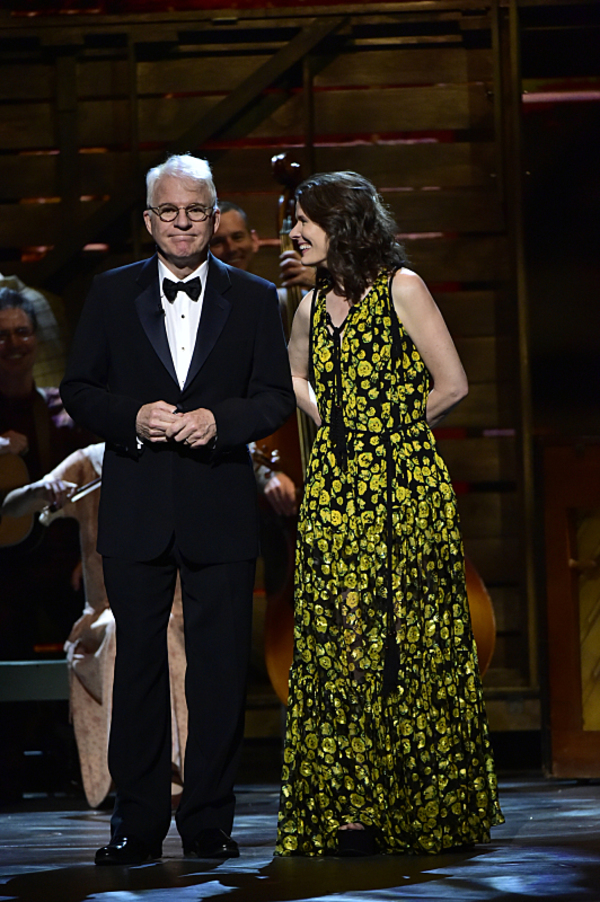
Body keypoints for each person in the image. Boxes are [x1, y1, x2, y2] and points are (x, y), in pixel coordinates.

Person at [60, 153, 295, 866]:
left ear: (214, 212)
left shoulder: (256, 298)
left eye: (197, 210)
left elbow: (275, 399)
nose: (184, 223)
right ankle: (135, 825)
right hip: (137, 508)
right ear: (149, 219)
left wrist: (217, 423)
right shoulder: (110, 293)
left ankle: (207, 821)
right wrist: (137, 416)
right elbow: (80, 390)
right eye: (170, 211)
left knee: (220, 670)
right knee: (138, 672)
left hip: (219, 505)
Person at [275, 171, 504, 857]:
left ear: (339, 224)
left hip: (404, 485)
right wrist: (332, 415)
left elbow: (453, 383)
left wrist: (386, 426)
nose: (293, 232)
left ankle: (427, 802)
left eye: (303, 220)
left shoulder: (402, 287)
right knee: (345, 645)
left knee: (414, 640)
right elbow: (292, 374)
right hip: (339, 492)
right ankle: (353, 809)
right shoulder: (312, 306)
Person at [1, 443, 188, 810]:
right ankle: (157, 770)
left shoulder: (179, 457)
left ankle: (167, 769)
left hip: (181, 611)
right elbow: (11, 508)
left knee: (160, 626)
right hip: (107, 612)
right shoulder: (92, 462)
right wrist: (40, 491)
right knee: (134, 628)